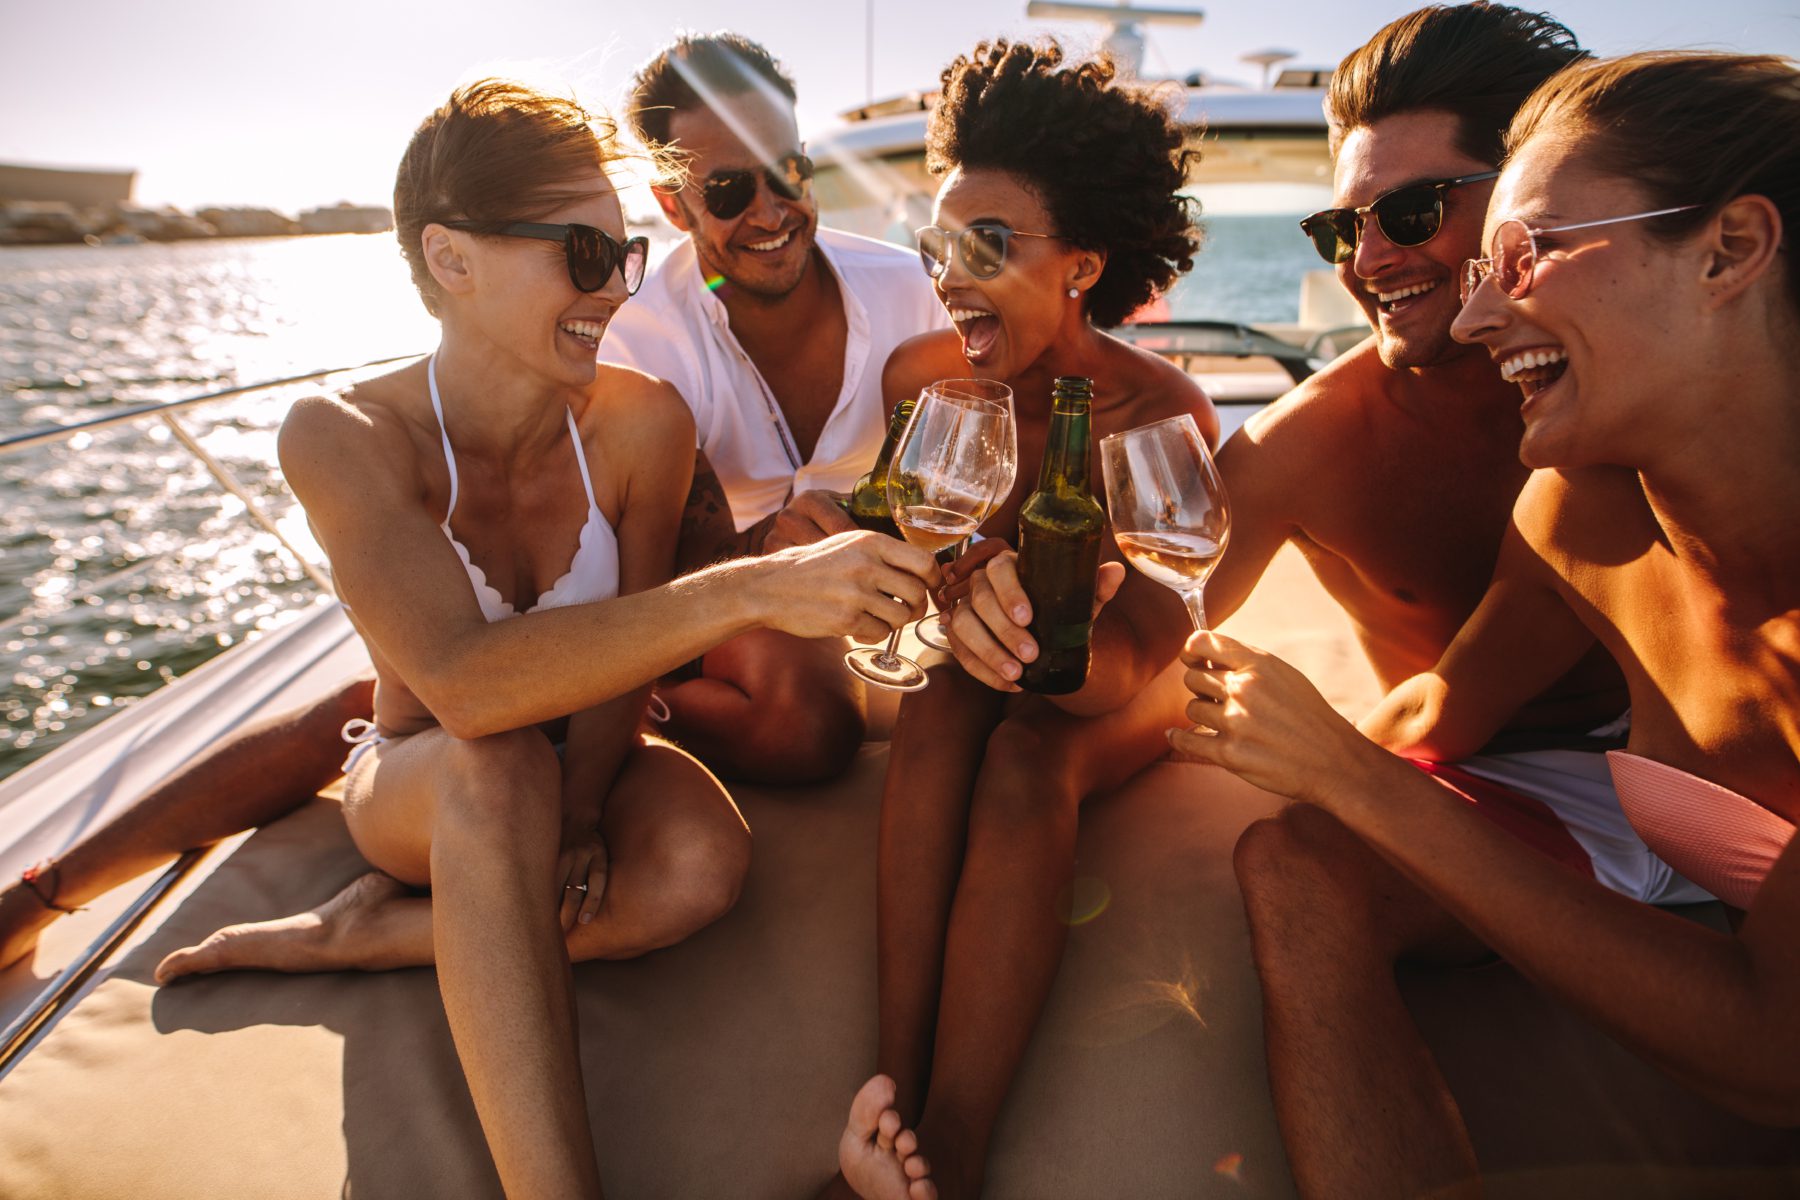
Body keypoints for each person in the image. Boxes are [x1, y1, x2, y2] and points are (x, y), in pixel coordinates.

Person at [151, 80, 938, 1199]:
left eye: (621, 257)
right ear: (451, 258)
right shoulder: (346, 436)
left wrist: (583, 812)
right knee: (502, 765)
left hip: (585, 767)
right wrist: (751, 592)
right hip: (425, 784)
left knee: (701, 862)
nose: (613, 291)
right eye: (580, 253)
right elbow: (468, 692)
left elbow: (620, 662)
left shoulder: (639, 424)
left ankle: (365, 938)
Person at [1175, 50, 1800, 1199]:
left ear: (1731, 249)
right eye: (1487, 261)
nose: (1476, 306)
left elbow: (1779, 1055)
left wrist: (1362, 785)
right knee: (1299, 864)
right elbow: (1452, 705)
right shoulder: (1577, 511)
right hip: (1635, 840)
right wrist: (1301, 752)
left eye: (1532, 254)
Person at [948, 7, 1708, 913]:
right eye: (1341, 229)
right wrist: (1024, 629)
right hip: (1478, 777)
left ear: (1528, 201)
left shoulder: (1648, 386)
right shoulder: (1303, 443)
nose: (1371, 259)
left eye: (1412, 212)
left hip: (1707, 774)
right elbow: (1127, 651)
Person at [823, 40, 1216, 1200]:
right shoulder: (919, 383)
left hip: (1129, 681)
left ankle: (954, 1146)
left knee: (1030, 756)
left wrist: (1046, 627)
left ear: (1083, 263)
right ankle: (885, 1103)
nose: (949, 274)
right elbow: (902, 550)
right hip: (979, 664)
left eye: (985, 247)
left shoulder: (1159, 413)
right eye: (938, 244)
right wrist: (950, 589)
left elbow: (1141, 653)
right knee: (947, 702)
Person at [599, 32, 949, 783]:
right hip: (701, 603)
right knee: (805, 727)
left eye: (787, 172)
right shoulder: (637, 339)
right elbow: (644, 569)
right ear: (672, 204)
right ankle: (603, 703)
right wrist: (767, 554)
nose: (770, 212)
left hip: (869, 594)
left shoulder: (912, 293)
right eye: (728, 192)